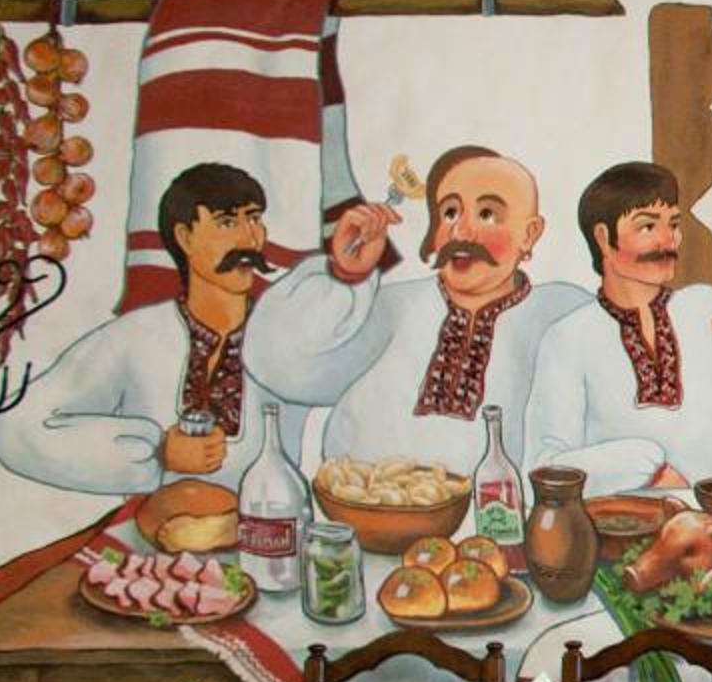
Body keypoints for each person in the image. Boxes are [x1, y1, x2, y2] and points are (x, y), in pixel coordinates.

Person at [246, 144, 587, 470]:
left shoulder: (562, 315)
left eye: (487, 214)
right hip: (363, 505)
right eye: (450, 212)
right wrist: (347, 273)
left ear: (529, 234)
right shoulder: (392, 307)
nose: (461, 231)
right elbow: (281, 368)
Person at [0, 162, 303, 495]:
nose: (249, 238)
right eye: (227, 222)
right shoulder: (136, 337)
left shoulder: (295, 339)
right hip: (154, 525)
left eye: (254, 219)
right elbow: (12, 426)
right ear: (185, 237)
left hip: (275, 523)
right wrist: (156, 453)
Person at [529, 162, 712, 492]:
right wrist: (647, 468)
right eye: (647, 226)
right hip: (621, 517)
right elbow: (544, 468)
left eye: (674, 224)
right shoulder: (568, 338)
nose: (669, 240)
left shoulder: (706, 308)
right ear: (603, 238)